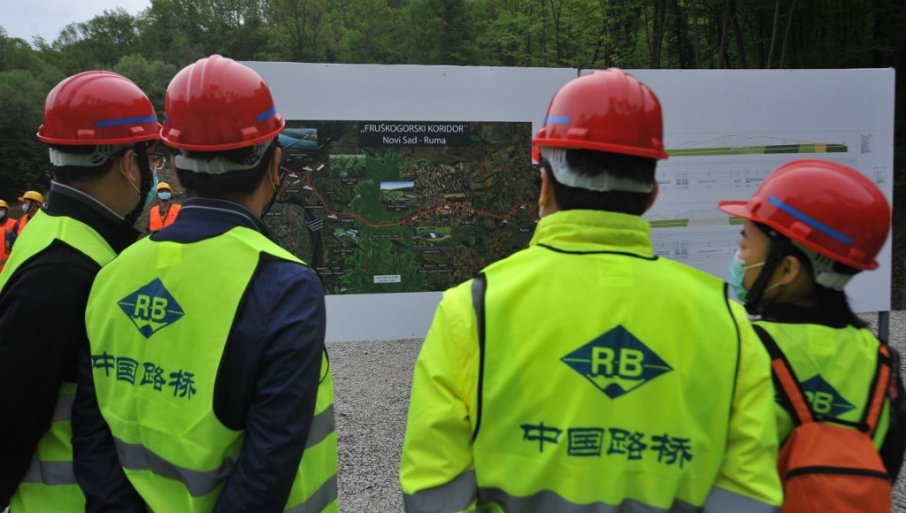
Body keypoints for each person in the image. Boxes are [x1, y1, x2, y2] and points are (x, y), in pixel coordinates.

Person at [400, 68, 782, 512]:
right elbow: (749, 495)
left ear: (545, 186)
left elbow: (434, 491)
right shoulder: (726, 322)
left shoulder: (473, 309)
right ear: (652, 194)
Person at [75, 54, 338, 513]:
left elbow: (90, 433)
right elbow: (268, 464)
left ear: (176, 170)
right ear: (274, 164)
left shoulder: (113, 273)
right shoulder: (285, 285)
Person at [0, 71, 161, 511]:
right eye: (150, 158)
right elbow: (12, 418)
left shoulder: (53, 232)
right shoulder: (66, 270)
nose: (153, 173)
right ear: (129, 164)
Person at [718, 160, 906, 496]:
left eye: (745, 244)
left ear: (787, 270)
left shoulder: (740, 347)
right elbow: (886, 468)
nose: (739, 258)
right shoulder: (882, 363)